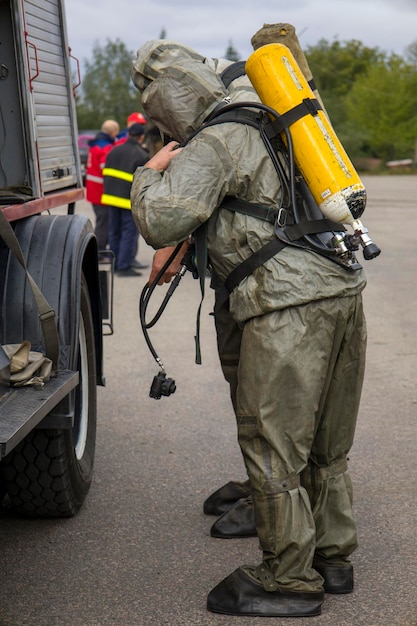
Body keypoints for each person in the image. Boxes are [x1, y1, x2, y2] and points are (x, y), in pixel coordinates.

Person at [130, 37, 367, 618]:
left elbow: (161, 221)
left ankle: (288, 579)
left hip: (287, 309)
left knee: (272, 446)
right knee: (326, 446)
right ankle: (333, 559)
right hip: (343, 291)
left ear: (172, 101)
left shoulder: (220, 137)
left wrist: (149, 172)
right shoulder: (283, 120)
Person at [101, 123, 149, 276]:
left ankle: (115, 264)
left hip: (111, 197)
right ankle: (124, 266)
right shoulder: (142, 155)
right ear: (141, 137)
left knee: (114, 232)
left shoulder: (114, 150)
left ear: (128, 134)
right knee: (129, 233)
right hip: (128, 200)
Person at [85, 119, 120, 257]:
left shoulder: (95, 145)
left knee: (101, 221)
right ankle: (99, 251)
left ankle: (99, 250)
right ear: (112, 132)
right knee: (104, 223)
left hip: (93, 190)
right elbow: (106, 170)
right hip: (101, 193)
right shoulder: (106, 148)